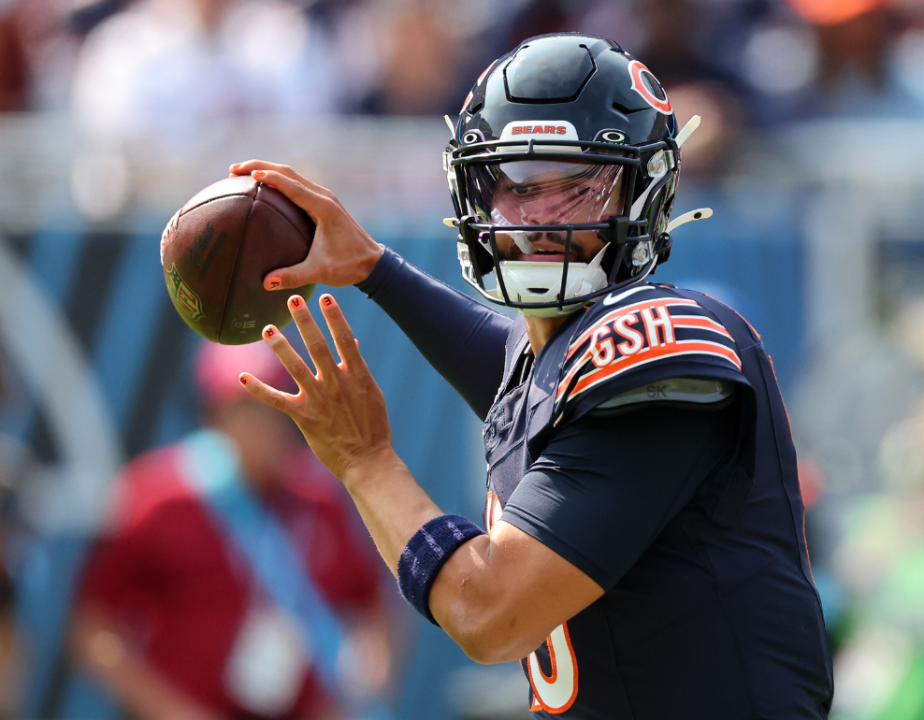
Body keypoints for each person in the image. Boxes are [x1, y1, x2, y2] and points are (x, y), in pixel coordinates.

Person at [231, 33, 833, 719]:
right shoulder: (561, 358)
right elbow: (520, 373)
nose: (540, 218)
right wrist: (373, 267)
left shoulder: (657, 344)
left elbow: (490, 612)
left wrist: (367, 463)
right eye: (514, 184)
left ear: (646, 190)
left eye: (576, 185)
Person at [70, 341, 392, 720]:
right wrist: (168, 710)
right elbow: (93, 628)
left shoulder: (321, 503)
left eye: (281, 408)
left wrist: (359, 685)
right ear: (213, 415)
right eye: (250, 410)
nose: (268, 427)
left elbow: (375, 609)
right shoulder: (155, 496)